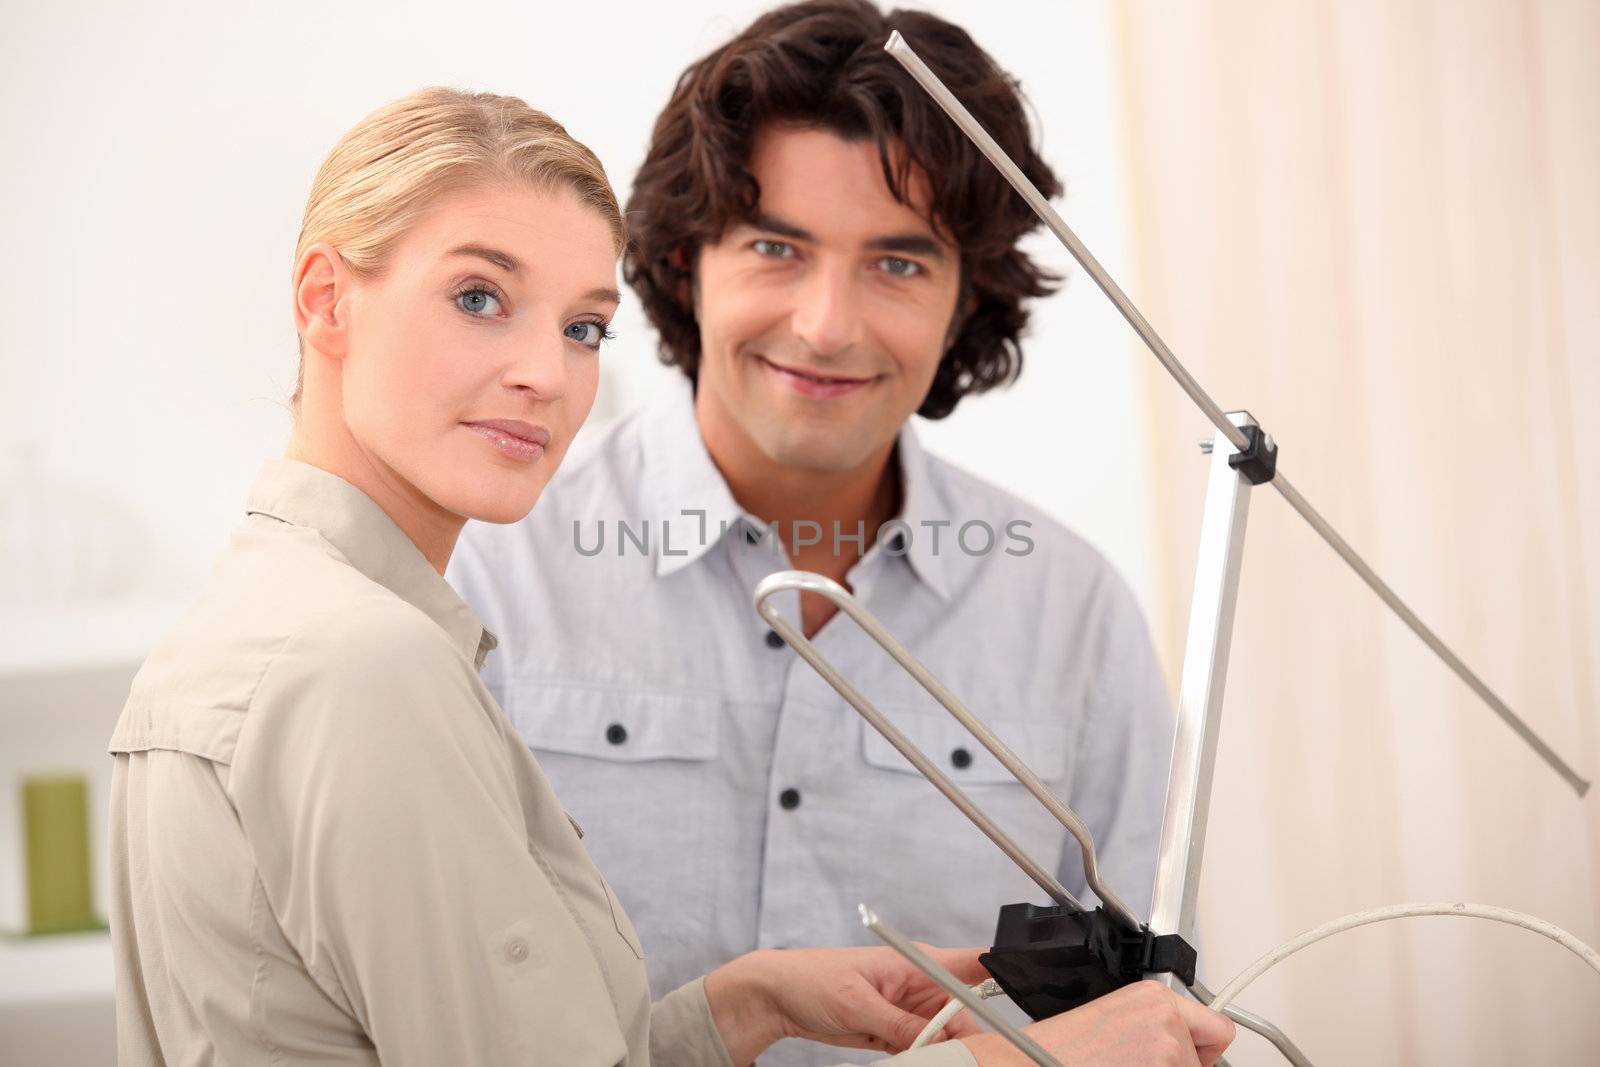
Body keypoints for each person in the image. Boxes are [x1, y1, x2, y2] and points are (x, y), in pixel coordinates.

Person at [105, 87, 1233, 1067]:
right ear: (323, 297)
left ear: (963, 297)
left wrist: (737, 1005)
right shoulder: (373, 654)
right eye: (478, 297)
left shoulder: (292, 622)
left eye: (583, 327)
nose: (543, 374)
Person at [448, 4, 1178, 1063]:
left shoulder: (1075, 617)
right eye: (776, 246)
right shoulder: (491, 569)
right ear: (684, 259)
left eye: (898, 262)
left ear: (966, 295)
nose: (828, 324)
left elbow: (1135, 1011)